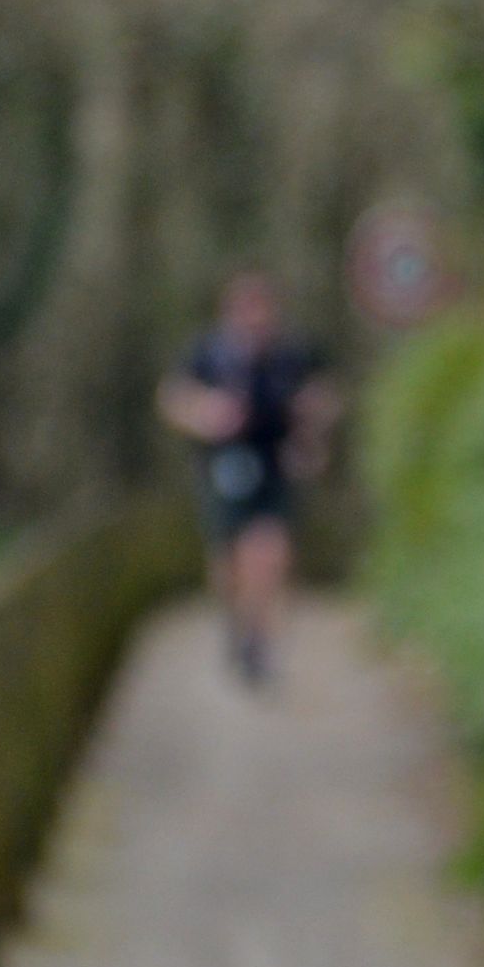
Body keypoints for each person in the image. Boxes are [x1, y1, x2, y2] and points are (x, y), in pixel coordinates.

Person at [156, 269, 332, 686]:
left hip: (273, 466)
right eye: (246, 309)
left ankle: (258, 638)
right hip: (224, 468)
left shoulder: (292, 354)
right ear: (229, 312)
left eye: (262, 308)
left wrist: (312, 432)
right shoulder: (209, 353)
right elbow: (172, 398)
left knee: (269, 551)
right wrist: (204, 414)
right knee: (228, 562)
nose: (256, 318)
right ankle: (236, 620)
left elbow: (323, 398)